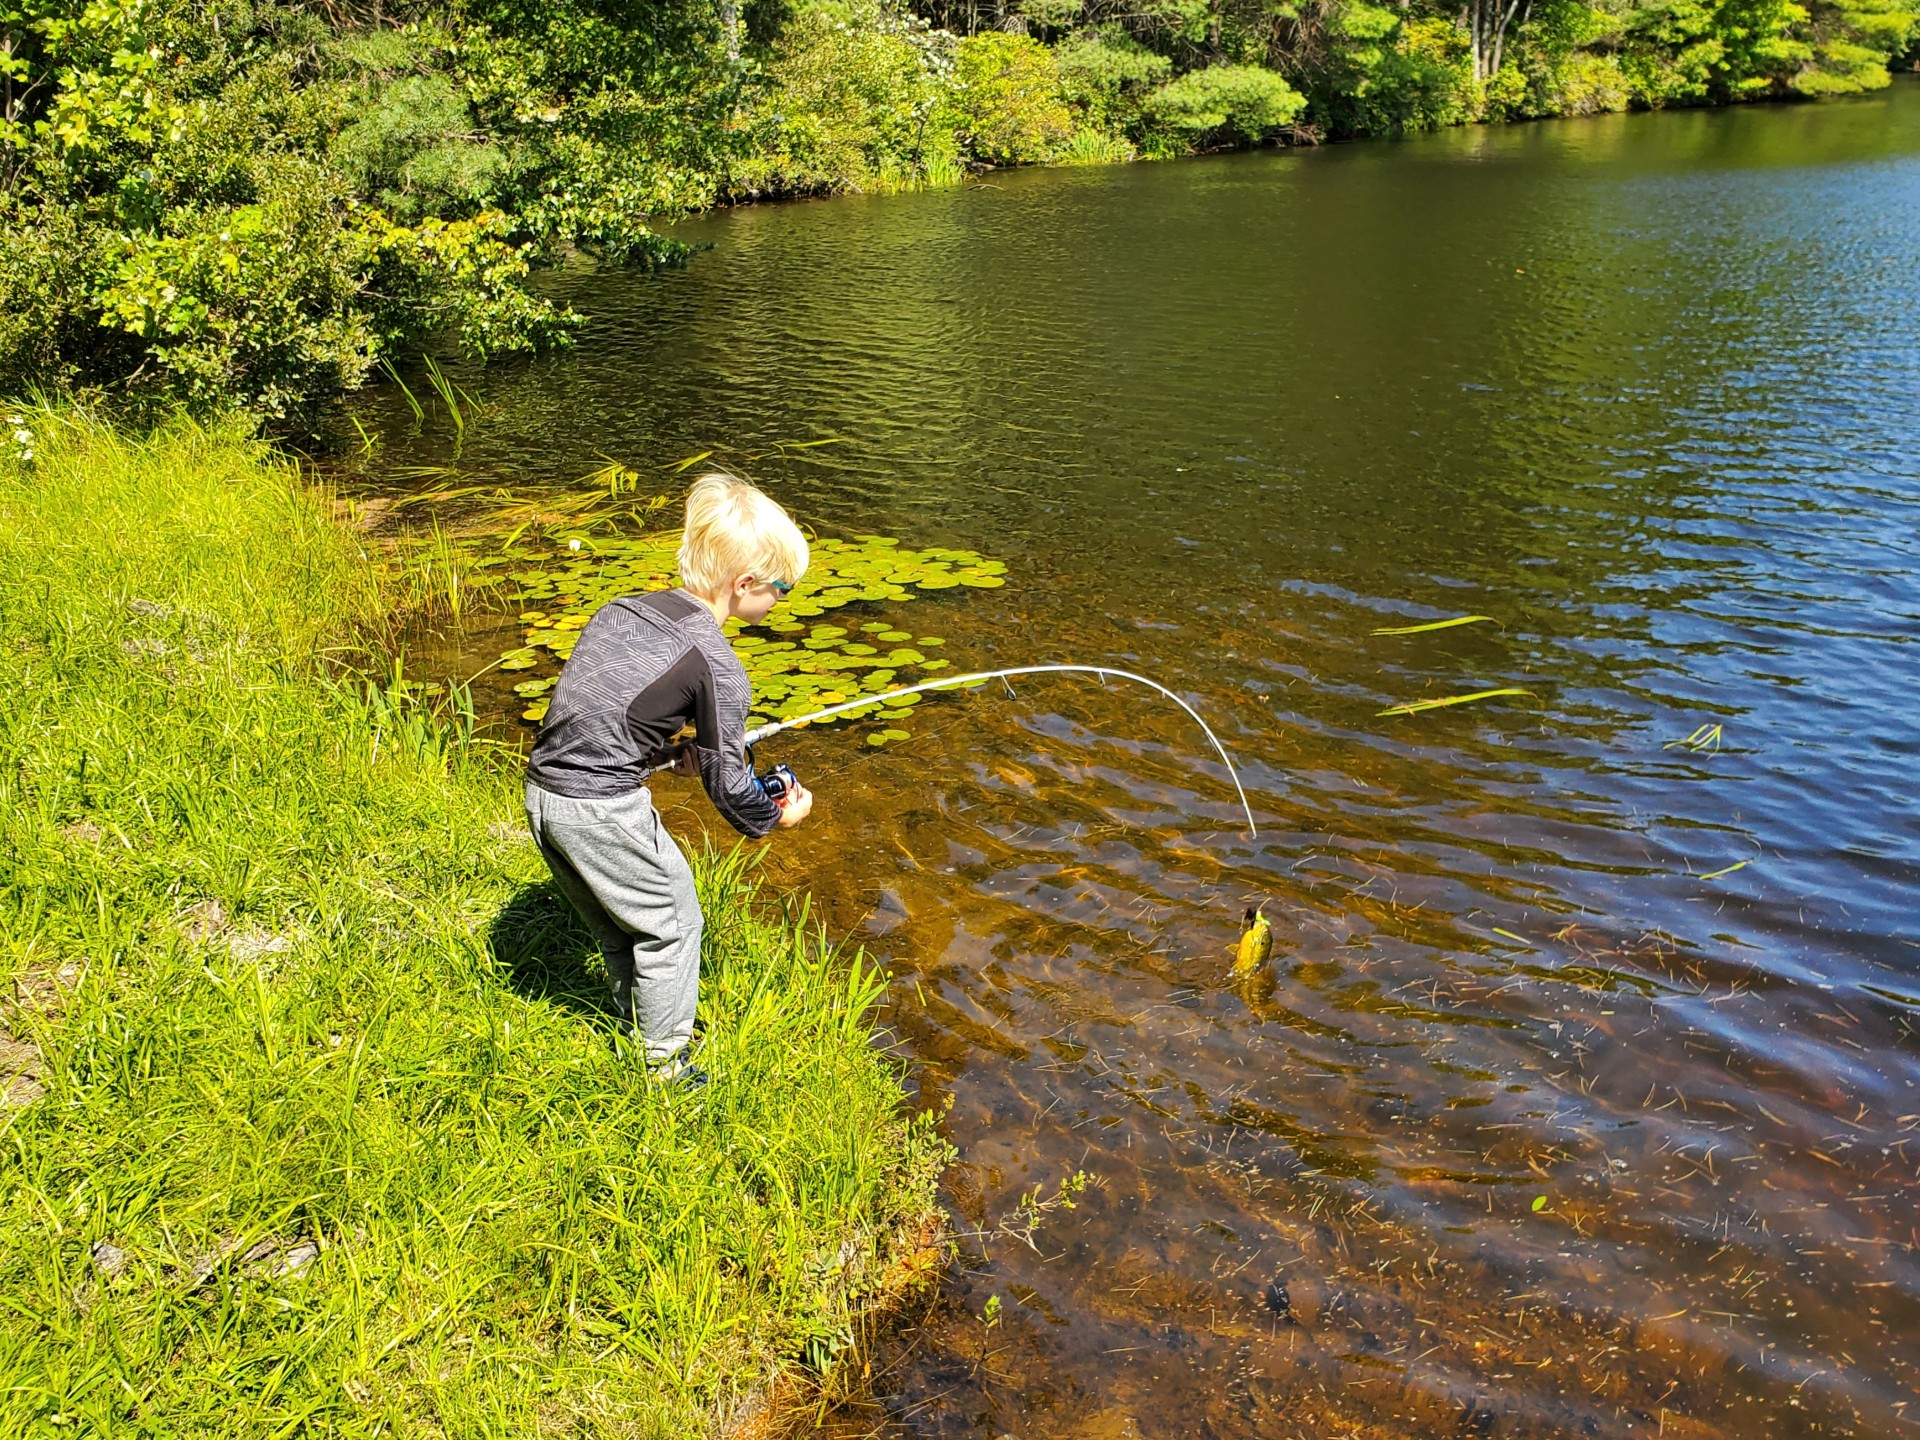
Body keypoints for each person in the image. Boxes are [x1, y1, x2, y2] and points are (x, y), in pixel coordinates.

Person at [523, 472, 815, 1081]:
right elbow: (730, 789)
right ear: (744, 585)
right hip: (600, 808)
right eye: (781, 591)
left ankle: (636, 1022)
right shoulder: (719, 666)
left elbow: (599, 713)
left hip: (544, 794)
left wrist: (666, 751)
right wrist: (777, 816)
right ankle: (665, 1067)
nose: (781, 602)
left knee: (619, 923)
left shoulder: (623, 610)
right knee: (675, 921)